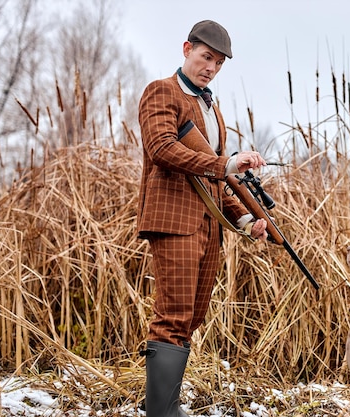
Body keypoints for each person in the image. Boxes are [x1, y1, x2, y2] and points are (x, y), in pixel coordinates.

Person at [136, 20, 268, 416]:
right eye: (205, 57)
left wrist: (245, 220)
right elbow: (162, 148)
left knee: (192, 316)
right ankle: (162, 412)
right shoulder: (162, 91)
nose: (210, 67)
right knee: (172, 315)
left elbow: (215, 178)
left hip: (210, 227)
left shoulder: (212, 108)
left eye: (218, 63)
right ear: (186, 49)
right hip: (174, 220)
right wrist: (225, 163)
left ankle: (161, 401)